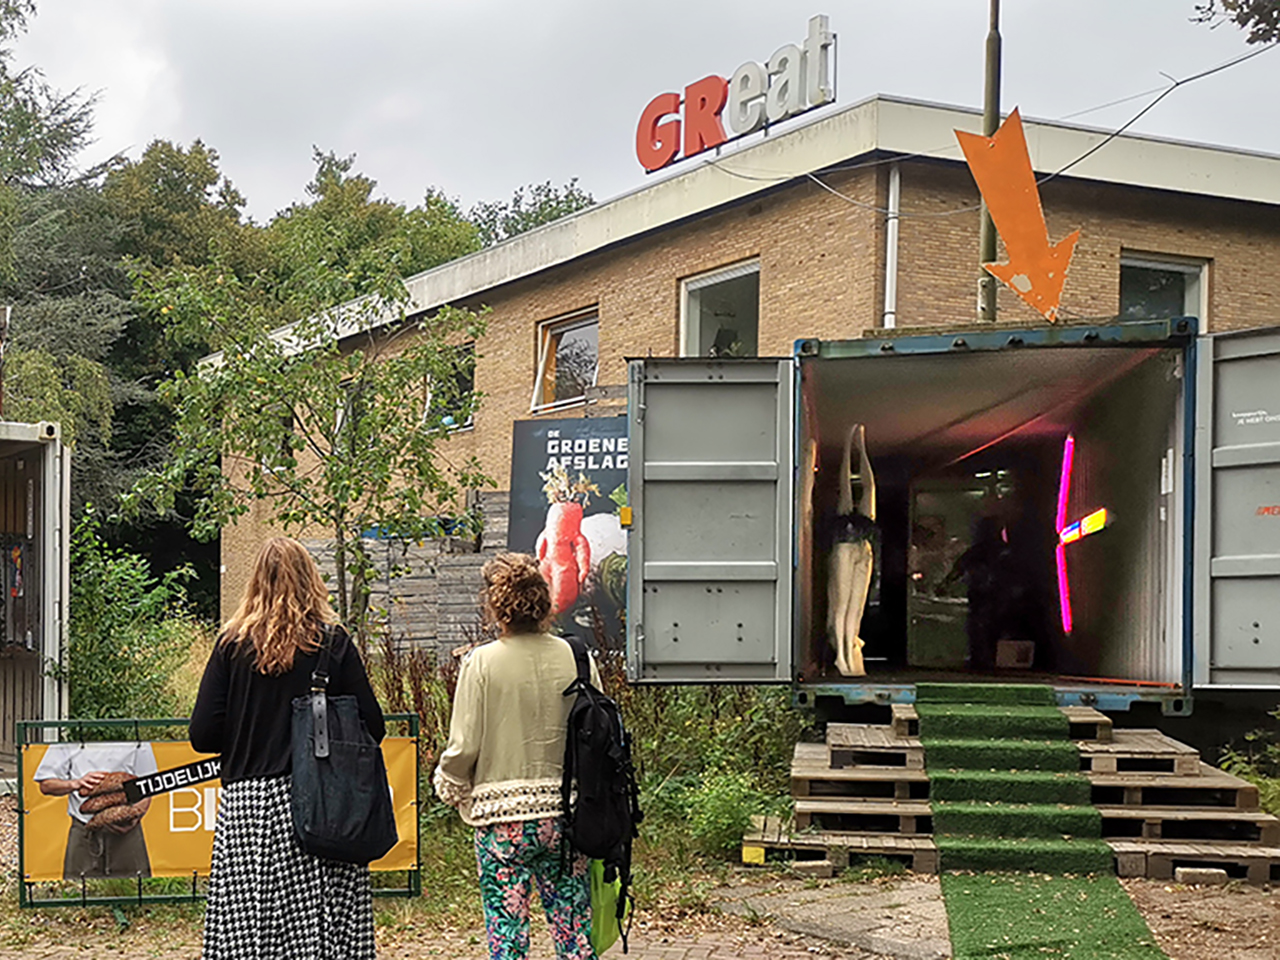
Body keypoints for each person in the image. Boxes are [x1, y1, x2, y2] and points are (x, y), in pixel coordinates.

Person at [190, 537, 385, 960]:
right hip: (322, 803)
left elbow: (203, 734)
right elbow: (374, 726)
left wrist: (250, 732)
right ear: (311, 580)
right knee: (322, 930)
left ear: (255, 583)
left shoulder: (231, 646)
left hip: (248, 808)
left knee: (247, 932)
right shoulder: (332, 644)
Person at [434, 552, 600, 960]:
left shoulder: (481, 663)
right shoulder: (578, 657)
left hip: (502, 820)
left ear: (495, 605)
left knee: (507, 935)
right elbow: (598, 734)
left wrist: (449, 783)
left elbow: (464, 746)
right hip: (569, 814)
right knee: (574, 929)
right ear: (543, 602)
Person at [34, 741, 158, 878]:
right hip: (84, 830)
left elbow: (148, 784)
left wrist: (134, 816)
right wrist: (75, 783)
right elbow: (46, 784)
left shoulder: (136, 739)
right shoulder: (70, 737)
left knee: (134, 891)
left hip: (127, 834)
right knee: (78, 891)